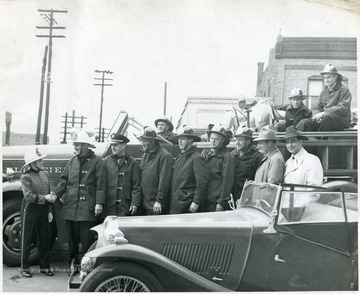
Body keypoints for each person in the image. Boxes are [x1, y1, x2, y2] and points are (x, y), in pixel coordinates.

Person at [53, 129, 103, 273]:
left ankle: (87, 269)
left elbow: (101, 184)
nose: (75, 147)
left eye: (78, 145)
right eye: (75, 145)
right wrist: (56, 195)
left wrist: (99, 203)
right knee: (72, 241)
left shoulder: (97, 162)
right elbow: (64, 181)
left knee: (87, 241)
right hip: (71, 207)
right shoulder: (72, 161)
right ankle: (73, 266)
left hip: (87, 208)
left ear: (86, 145)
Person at [20, 148, 56, 278]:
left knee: (44, 238)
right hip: (30, 209)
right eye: (38, 160)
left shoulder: (45, 174)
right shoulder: (25, 177)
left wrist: (50, 211)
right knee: (27, 239)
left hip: (44, 210)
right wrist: (45, 198)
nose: (42, 162)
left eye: (40, 159)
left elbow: (49, 192)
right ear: (31, 164)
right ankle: (24, 268)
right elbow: (28, 196)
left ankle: (45, 267)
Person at [297, 64, 352, 131]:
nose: (326, 80)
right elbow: (316, 106)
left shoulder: (344, 90)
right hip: (324, 119)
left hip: (341, 120)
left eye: (329, 77)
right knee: (304, 122)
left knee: (326, 117)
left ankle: (320, 140)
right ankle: (293, 139)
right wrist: (317, 114)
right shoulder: (324, 91)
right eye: (325, 78)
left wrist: (323, 113)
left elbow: (342, 108)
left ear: (335, 77)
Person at [98, 133, 141, 217]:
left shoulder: (132, 163)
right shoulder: (106, 161)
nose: (112, 148)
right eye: (111, 145)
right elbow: (101, 184)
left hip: (125, 206)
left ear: (123, 145)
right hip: (109, 206)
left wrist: (135, 203)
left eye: (115, 145)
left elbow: (136, 186)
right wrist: (99, 203)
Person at [170, 127, 208, 214]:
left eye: (182, 139)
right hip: (176, 203)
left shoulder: (197, 158)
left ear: (190, 140)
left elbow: (202, 183)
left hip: (187, 204)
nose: (179, 141)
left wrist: (196, 202)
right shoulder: (180, 158)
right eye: (179, 139)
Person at [138, 126, 173, 215]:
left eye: (145, 141)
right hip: (145, 203)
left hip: (155, 205)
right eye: (142, 141)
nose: (142, 144)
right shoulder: (145, 155)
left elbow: (164, 180)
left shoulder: (164, 156)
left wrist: (159, 201)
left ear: (153, 141)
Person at [201, 124, 234, 212]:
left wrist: (221, 202)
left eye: (216, 139)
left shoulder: (227, 157)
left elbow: (227, 180)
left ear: (223, 141)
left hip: (215, 203)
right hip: (204, 199)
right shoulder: (206, 154)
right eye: (211, 138)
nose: (213, 141)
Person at [231, 127, 263, 201]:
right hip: (232, 198)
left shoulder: (257, 157)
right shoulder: (232, 155)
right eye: (236, 140)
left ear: (248, 142)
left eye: (240, 140)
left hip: (248, 198)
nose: (237, 142)